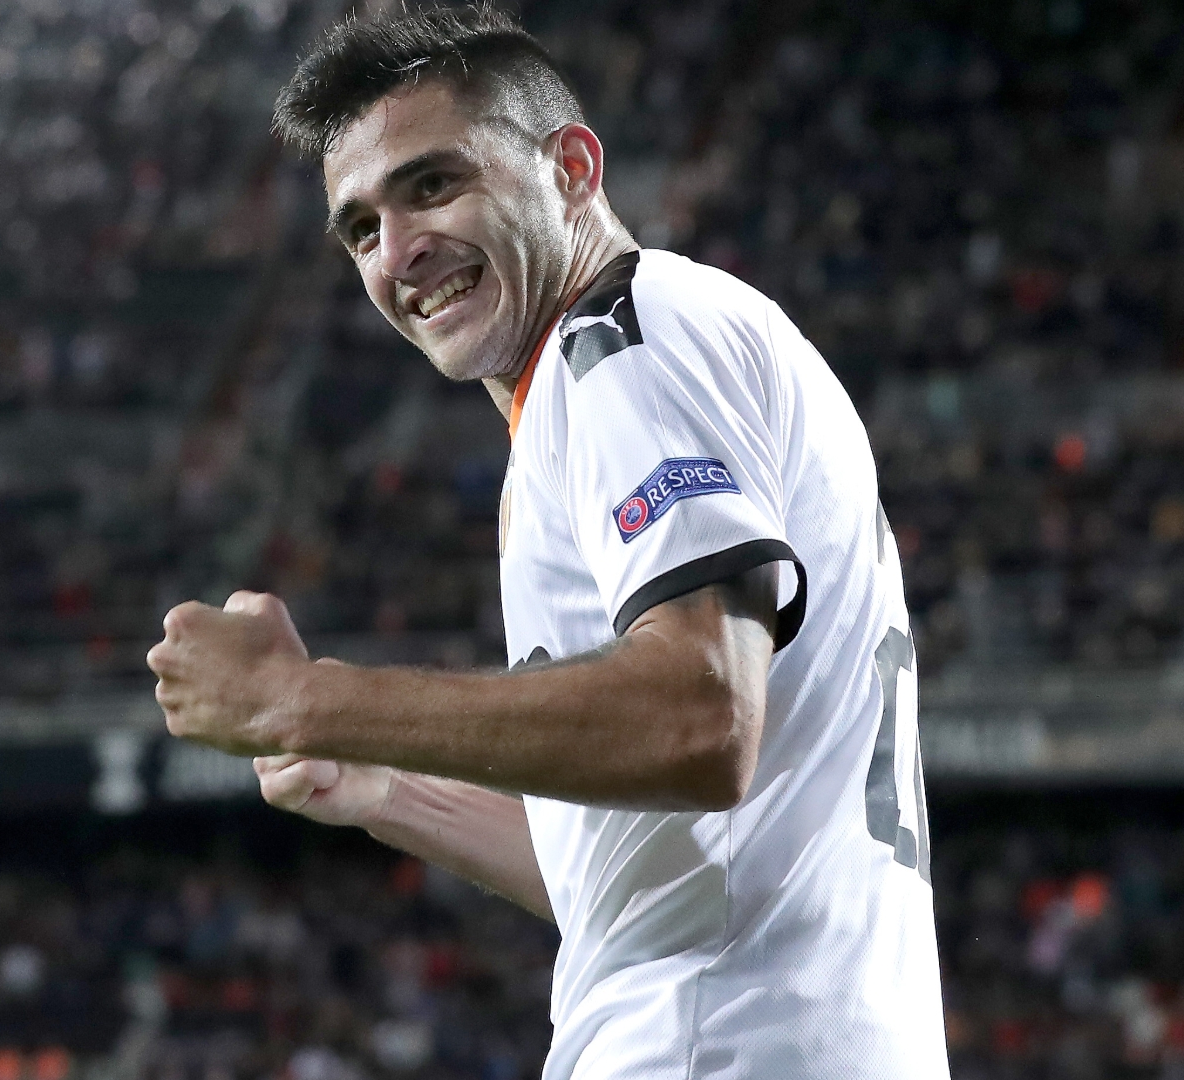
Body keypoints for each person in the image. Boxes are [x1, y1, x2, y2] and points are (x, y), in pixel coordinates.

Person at [145, 6, 947, 1079]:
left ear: (571, 169)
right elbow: (623, 877)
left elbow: (702, 717)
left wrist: (302, 699)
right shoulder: (630, 366)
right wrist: (385, 784)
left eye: (434, 184)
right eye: (362, 229)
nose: (399, 251)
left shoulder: (622, 342)